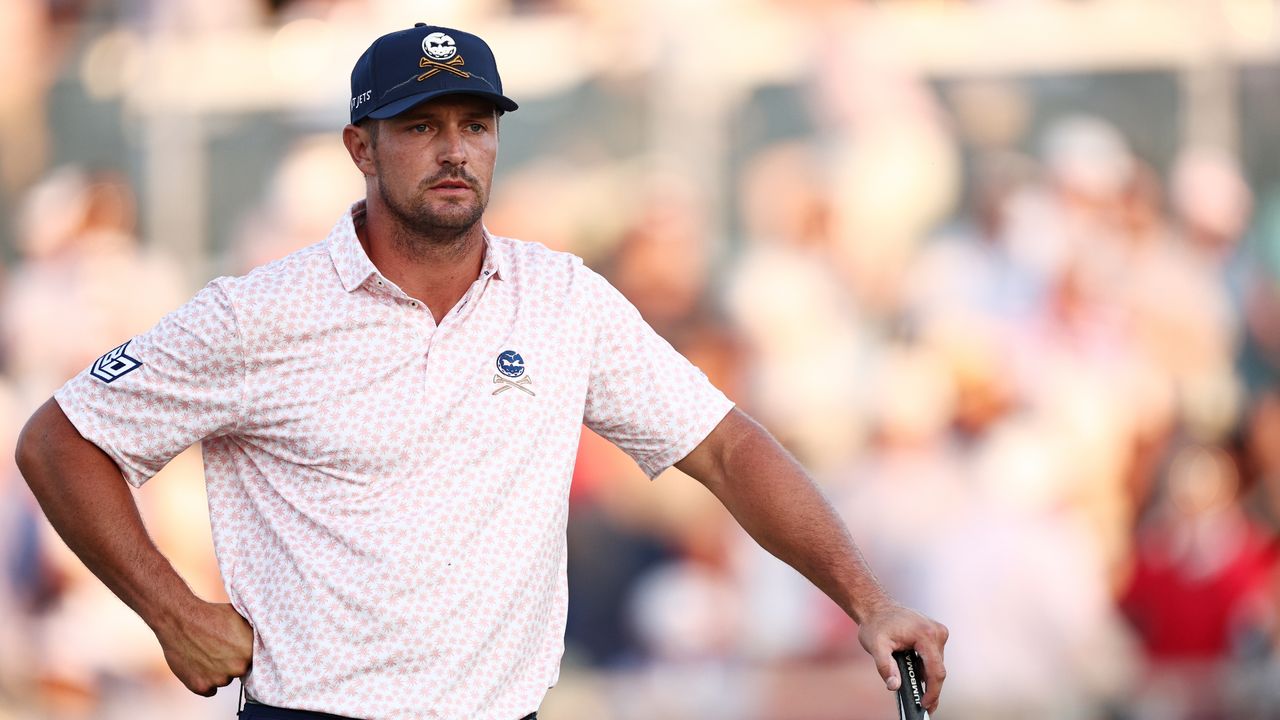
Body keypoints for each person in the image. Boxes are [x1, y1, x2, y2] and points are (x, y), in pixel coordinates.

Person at [14, 24, 948, 720]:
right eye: (419, 125)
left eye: (475, 122)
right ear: (360, 147)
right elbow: (61, 438)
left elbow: (730, 451)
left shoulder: (560, 297)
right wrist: (171, 610)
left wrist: (869, 602)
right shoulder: (261, 313)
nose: (455, 148)